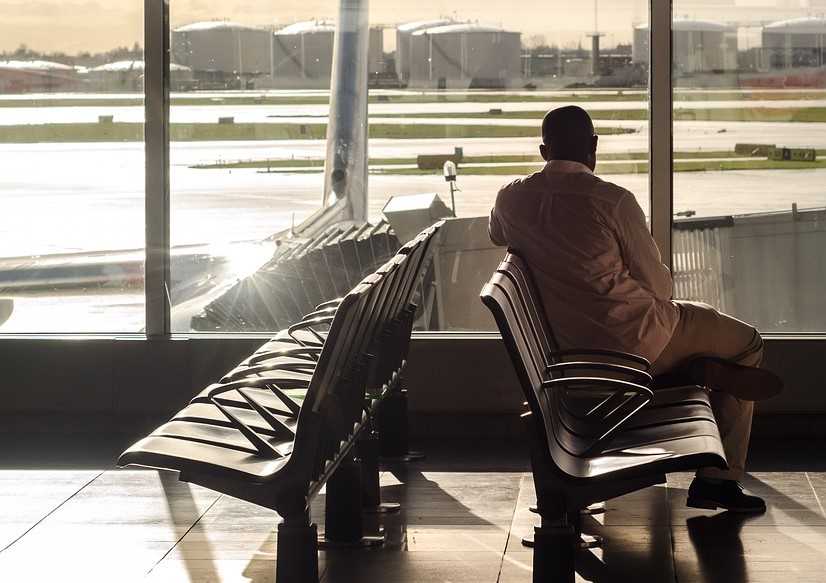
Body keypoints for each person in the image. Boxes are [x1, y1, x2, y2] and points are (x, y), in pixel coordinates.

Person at [488, 105, 781, 513]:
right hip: (640, 338)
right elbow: (659, 288)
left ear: (543, 151)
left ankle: (687, 371)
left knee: (696, 336)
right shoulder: (613, 201)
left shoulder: (510, 198)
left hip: (567, 353)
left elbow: (496, 233)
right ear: (593, 147)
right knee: (747, 344)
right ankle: (719, 478)